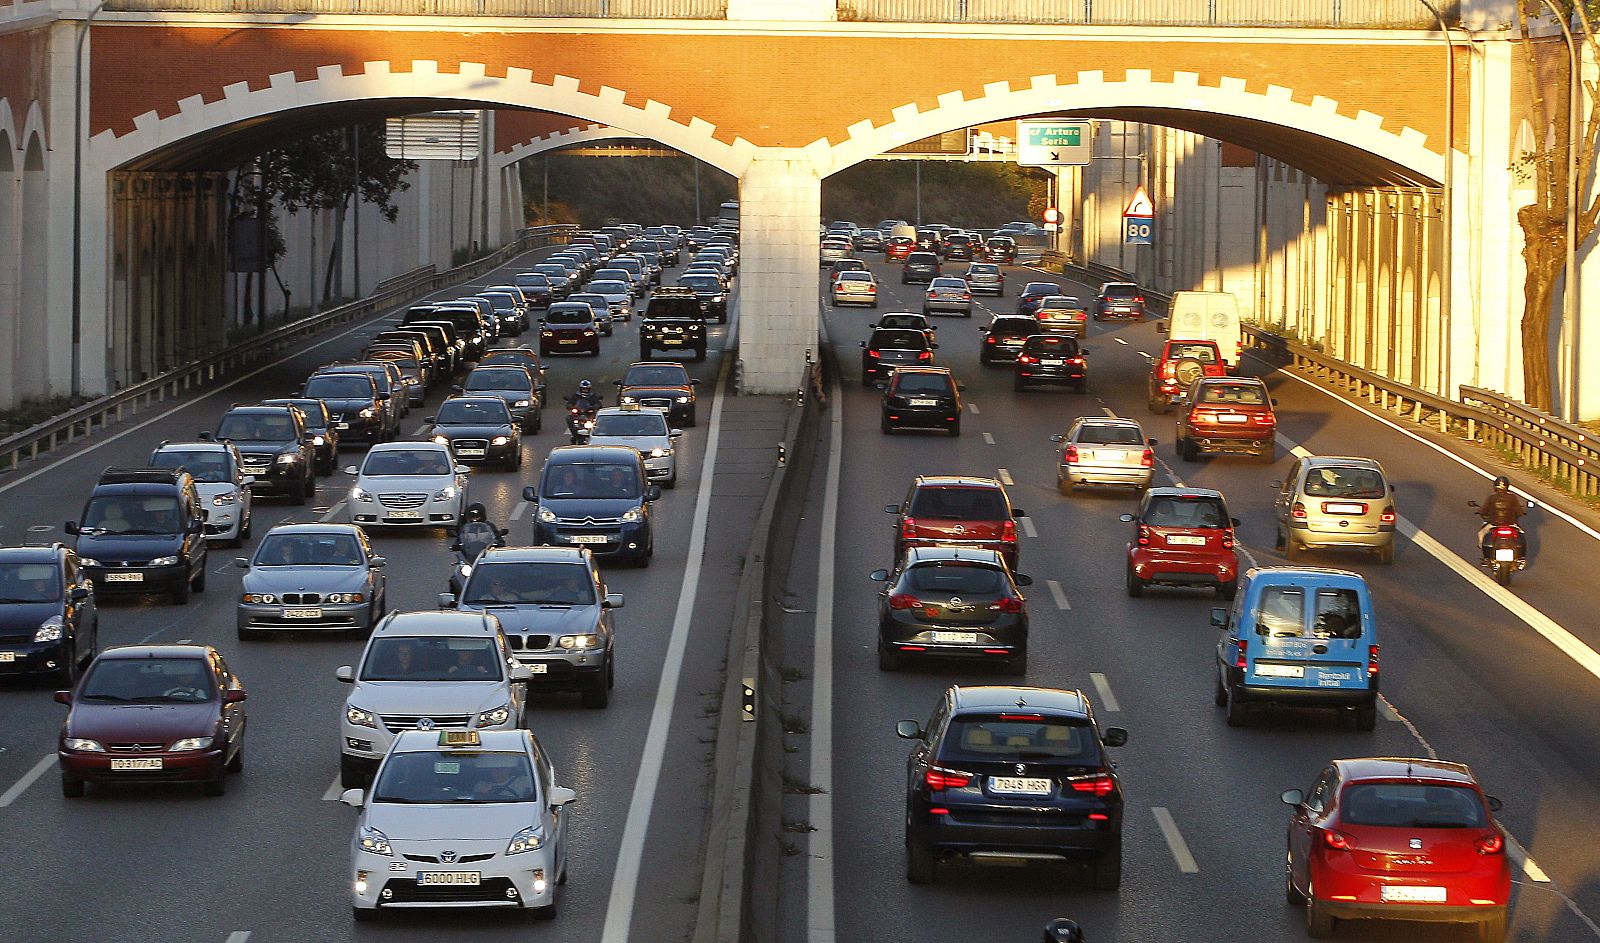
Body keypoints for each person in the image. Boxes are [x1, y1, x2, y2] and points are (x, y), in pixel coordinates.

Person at [1475, 476, 1527, 559]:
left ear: (1495, 487)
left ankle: (1485, 555)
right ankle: (1521, 557)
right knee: (1522, 534)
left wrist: (1479, 511)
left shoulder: (1491, 498)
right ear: (1507, 486)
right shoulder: (1512, 498)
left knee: (1481, 533)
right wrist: (1522, 512)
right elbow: (1519, 511)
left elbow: (1484, 510)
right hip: (1511, 524)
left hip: (1494, 524)